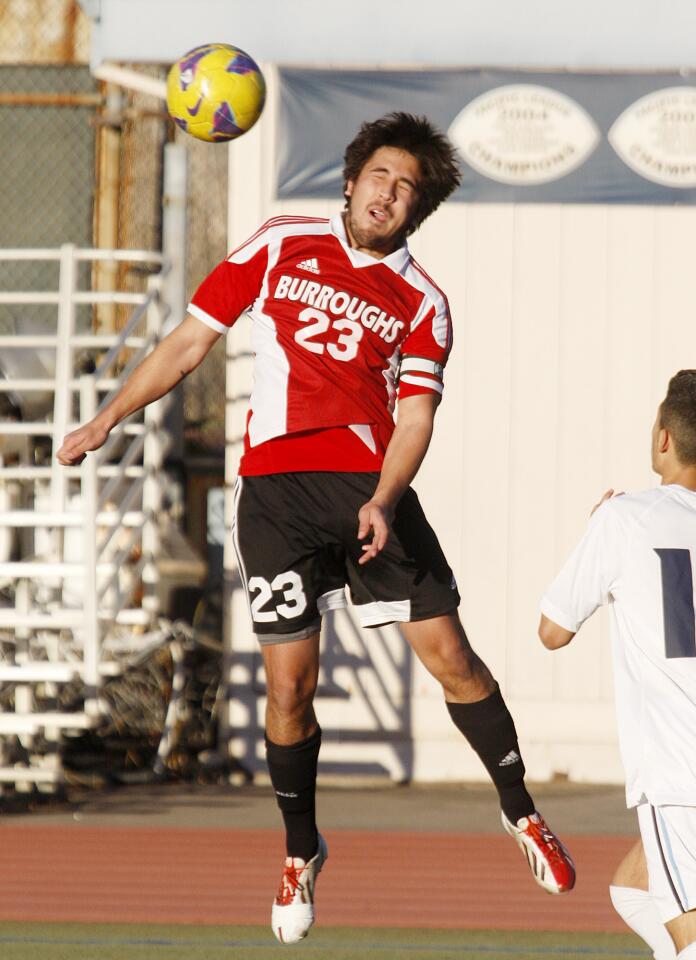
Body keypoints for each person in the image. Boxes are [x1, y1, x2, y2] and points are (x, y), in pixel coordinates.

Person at [57, 112, 574, 944]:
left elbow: (413, 420)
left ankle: (520, 811)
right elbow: (189, 342)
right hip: (273, 495)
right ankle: (302, 850)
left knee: (453, 658)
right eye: (380, 176)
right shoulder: (278, 242)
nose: (390, 193)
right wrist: (108, 418)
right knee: (289, 688)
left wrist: (384, 497)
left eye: (406, 188)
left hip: (370, 493)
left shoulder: (425, 302)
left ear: (415, 211)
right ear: (351, 179)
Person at [539, 370, 696, 960]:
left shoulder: (625, 518)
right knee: (633, 888)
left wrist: (599, 541)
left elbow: (552, 631)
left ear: (663, 438)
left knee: (690, 936)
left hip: (680, 773)